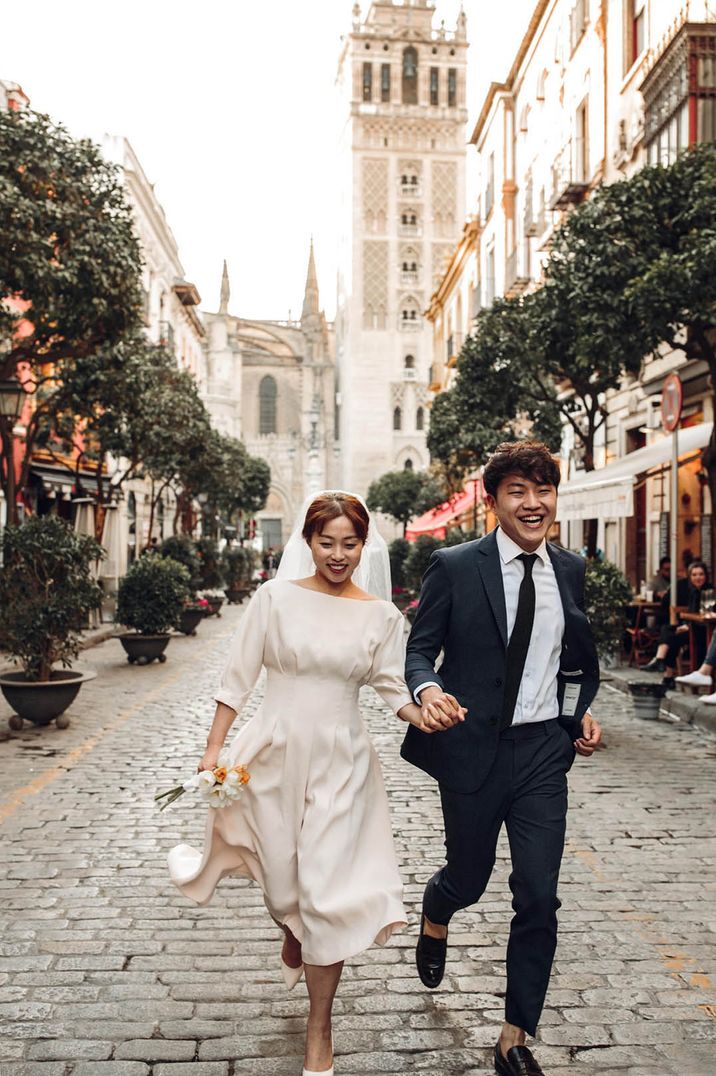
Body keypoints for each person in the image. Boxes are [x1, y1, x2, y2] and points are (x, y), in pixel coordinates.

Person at [167, 490, 463, 1076]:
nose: (337, 554)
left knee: (325, 894)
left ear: (362, 545)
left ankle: (319, 1032)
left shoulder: (380, 616)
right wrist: (213, 748)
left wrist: (424, 710)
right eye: (326, 542)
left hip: (342, 762)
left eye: (349, 544)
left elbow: (390, 688)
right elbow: (238, 677)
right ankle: (290, 929)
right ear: (308, 542)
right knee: (285, 890)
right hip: (273, 755)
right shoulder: (274, 599)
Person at [402, 441, 601, 1076]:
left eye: (543, 489)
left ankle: (514, 1037)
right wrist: (428, 690)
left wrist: (577, 713)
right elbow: (418, 651)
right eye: (517, 490)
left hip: (543, 750)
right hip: (471, 748)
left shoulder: (568, 569)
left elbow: (573, 661)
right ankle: (437, 913)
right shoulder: (457, 566)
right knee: (469, 876)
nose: (533, 502)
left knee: (539, 894)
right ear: (493, 501)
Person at [642, 560, 709, 689]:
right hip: (690, 626)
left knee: (671, 638)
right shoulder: (690, 589)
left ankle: (666, 673)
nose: (698, 578)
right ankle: (661, 661)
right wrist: (685, 625)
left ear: (706, 576)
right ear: (690, 576)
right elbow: (667, 603)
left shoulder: (709, 591)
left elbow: (706, 615)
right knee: (667, 630)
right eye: (694, 575)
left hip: (703, 630)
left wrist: (687, 626)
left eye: (701, 574)